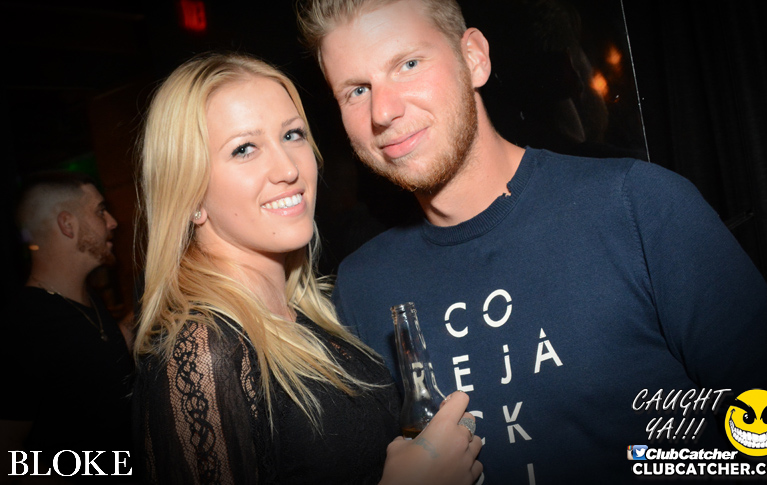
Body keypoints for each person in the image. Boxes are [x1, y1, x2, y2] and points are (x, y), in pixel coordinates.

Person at [295, 0, 767, 482]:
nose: (383, 111)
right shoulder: (361, 288)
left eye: (408, 64)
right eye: (356, 90)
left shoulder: (638, 207)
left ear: (474, 58)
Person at [132, 52, 483, 484]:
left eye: (292, 135)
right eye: (244, 149)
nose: (288, 168)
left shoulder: (310, 316)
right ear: (190, 196)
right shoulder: (205, 351)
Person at [1, 171, 135, 483]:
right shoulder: (22, 326)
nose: (113, 222)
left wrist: (156, 301)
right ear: (67, 224)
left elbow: (101, 351)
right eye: (100, 211)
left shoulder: (85, 300)